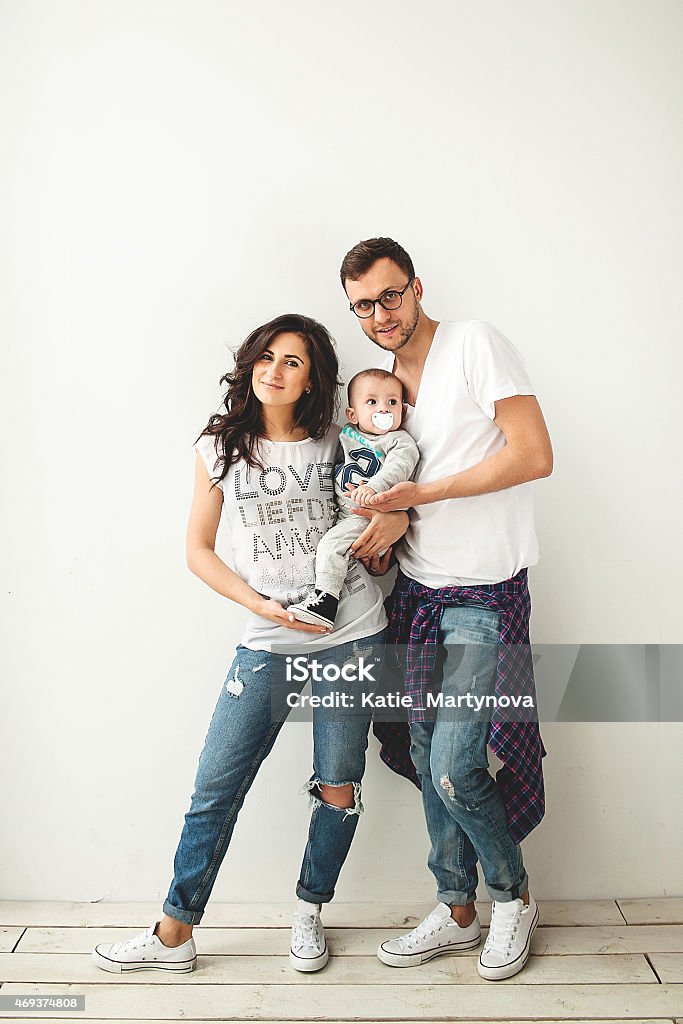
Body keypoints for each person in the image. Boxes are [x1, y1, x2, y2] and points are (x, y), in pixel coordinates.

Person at [91, 313, 396, 976]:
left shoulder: (336, 440)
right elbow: (197, 551)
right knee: (215, 787)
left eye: (292, 361)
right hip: (266, 638)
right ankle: (175, 932)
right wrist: (257, 604)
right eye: (265, 357)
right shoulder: (219, 447)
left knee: (338, 786)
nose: (274, 371)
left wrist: (390, 519)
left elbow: (390, 497)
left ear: (313, 375)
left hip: (351, 633)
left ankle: (310, 914)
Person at [341, 237, 553, 981]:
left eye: (389, 295)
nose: (380, 313)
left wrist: (415, 498)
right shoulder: (383, 382)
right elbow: (392, 479)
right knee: (431, 763)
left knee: (460, 766)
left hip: (485, 593)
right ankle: (456, 907)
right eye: (363, 304)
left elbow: (532, 454)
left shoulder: (472, 343)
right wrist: (386, 529)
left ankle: (512, 896)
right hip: (416, 596)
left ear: (416, 286)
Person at [289, 368, 419, 629]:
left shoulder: (399, 441)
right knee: (328, 548)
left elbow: (400, 467)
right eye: (372, 402)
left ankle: (325, 603)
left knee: (330, 546)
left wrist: (374, 487)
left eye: (392, 402)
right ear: (353, 414)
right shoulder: (348, 434)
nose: (383, 409)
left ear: (402, 411)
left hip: (370, 516)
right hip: (346, 514)